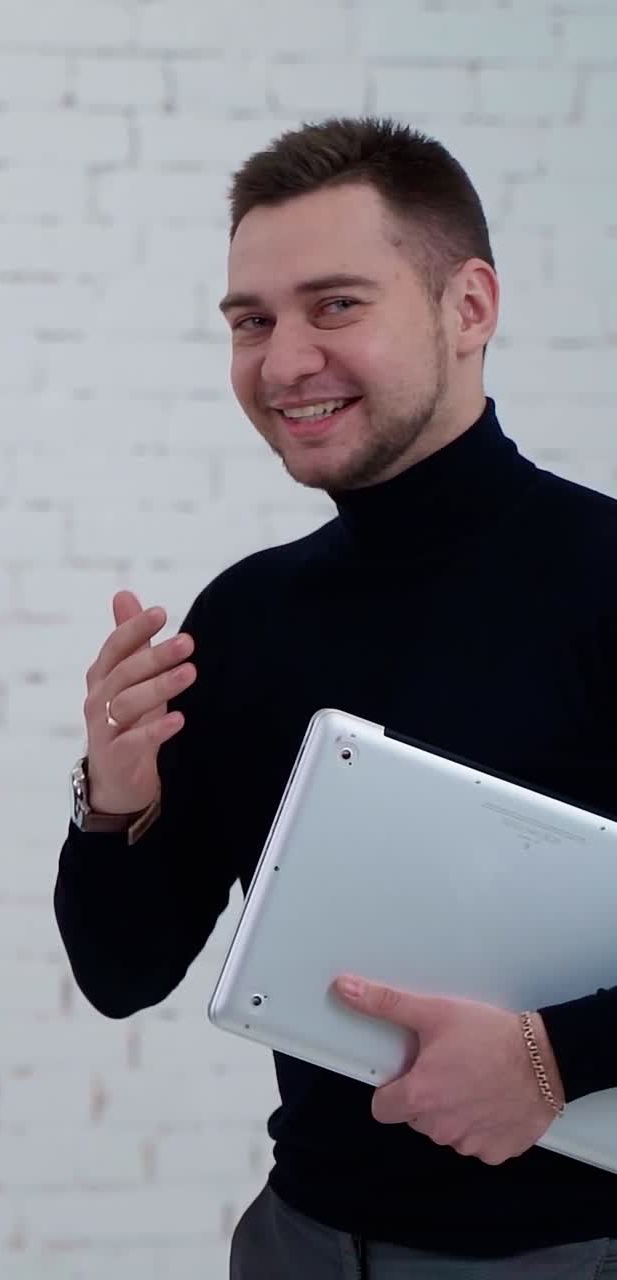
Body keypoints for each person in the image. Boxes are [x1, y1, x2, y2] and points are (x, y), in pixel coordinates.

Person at [54, 116, 617, 1277]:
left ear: (468, 308)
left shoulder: (599, 575)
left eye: (335, 305)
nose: (281, 360)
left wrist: (553, 1055)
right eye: (249, 321)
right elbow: (122, 973)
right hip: (298, 1239)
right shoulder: (248, 614)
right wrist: (111, 805)